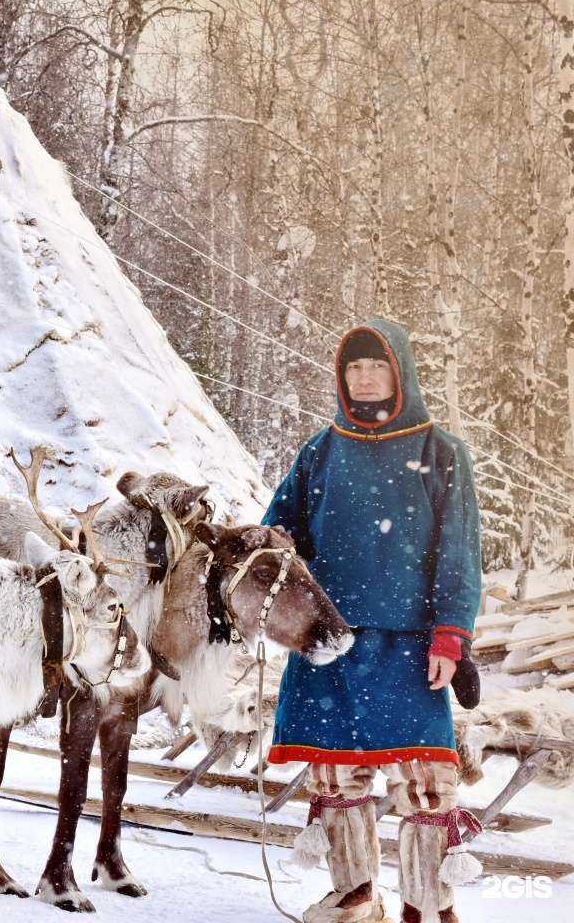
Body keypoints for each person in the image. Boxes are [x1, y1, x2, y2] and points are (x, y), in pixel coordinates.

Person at [263, 319, 483, 923]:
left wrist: (451, 636)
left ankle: (427, 903)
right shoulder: (321, 449)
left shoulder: (440, 452)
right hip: (326, 641)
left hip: (409, 644)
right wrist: (276, 541)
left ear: (400, 372)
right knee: (335, 778)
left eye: (376, 366)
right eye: (353, 368)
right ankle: (356, 895)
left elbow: (459, 550)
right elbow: (278, 535)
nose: (363, 378)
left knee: (424, 780)